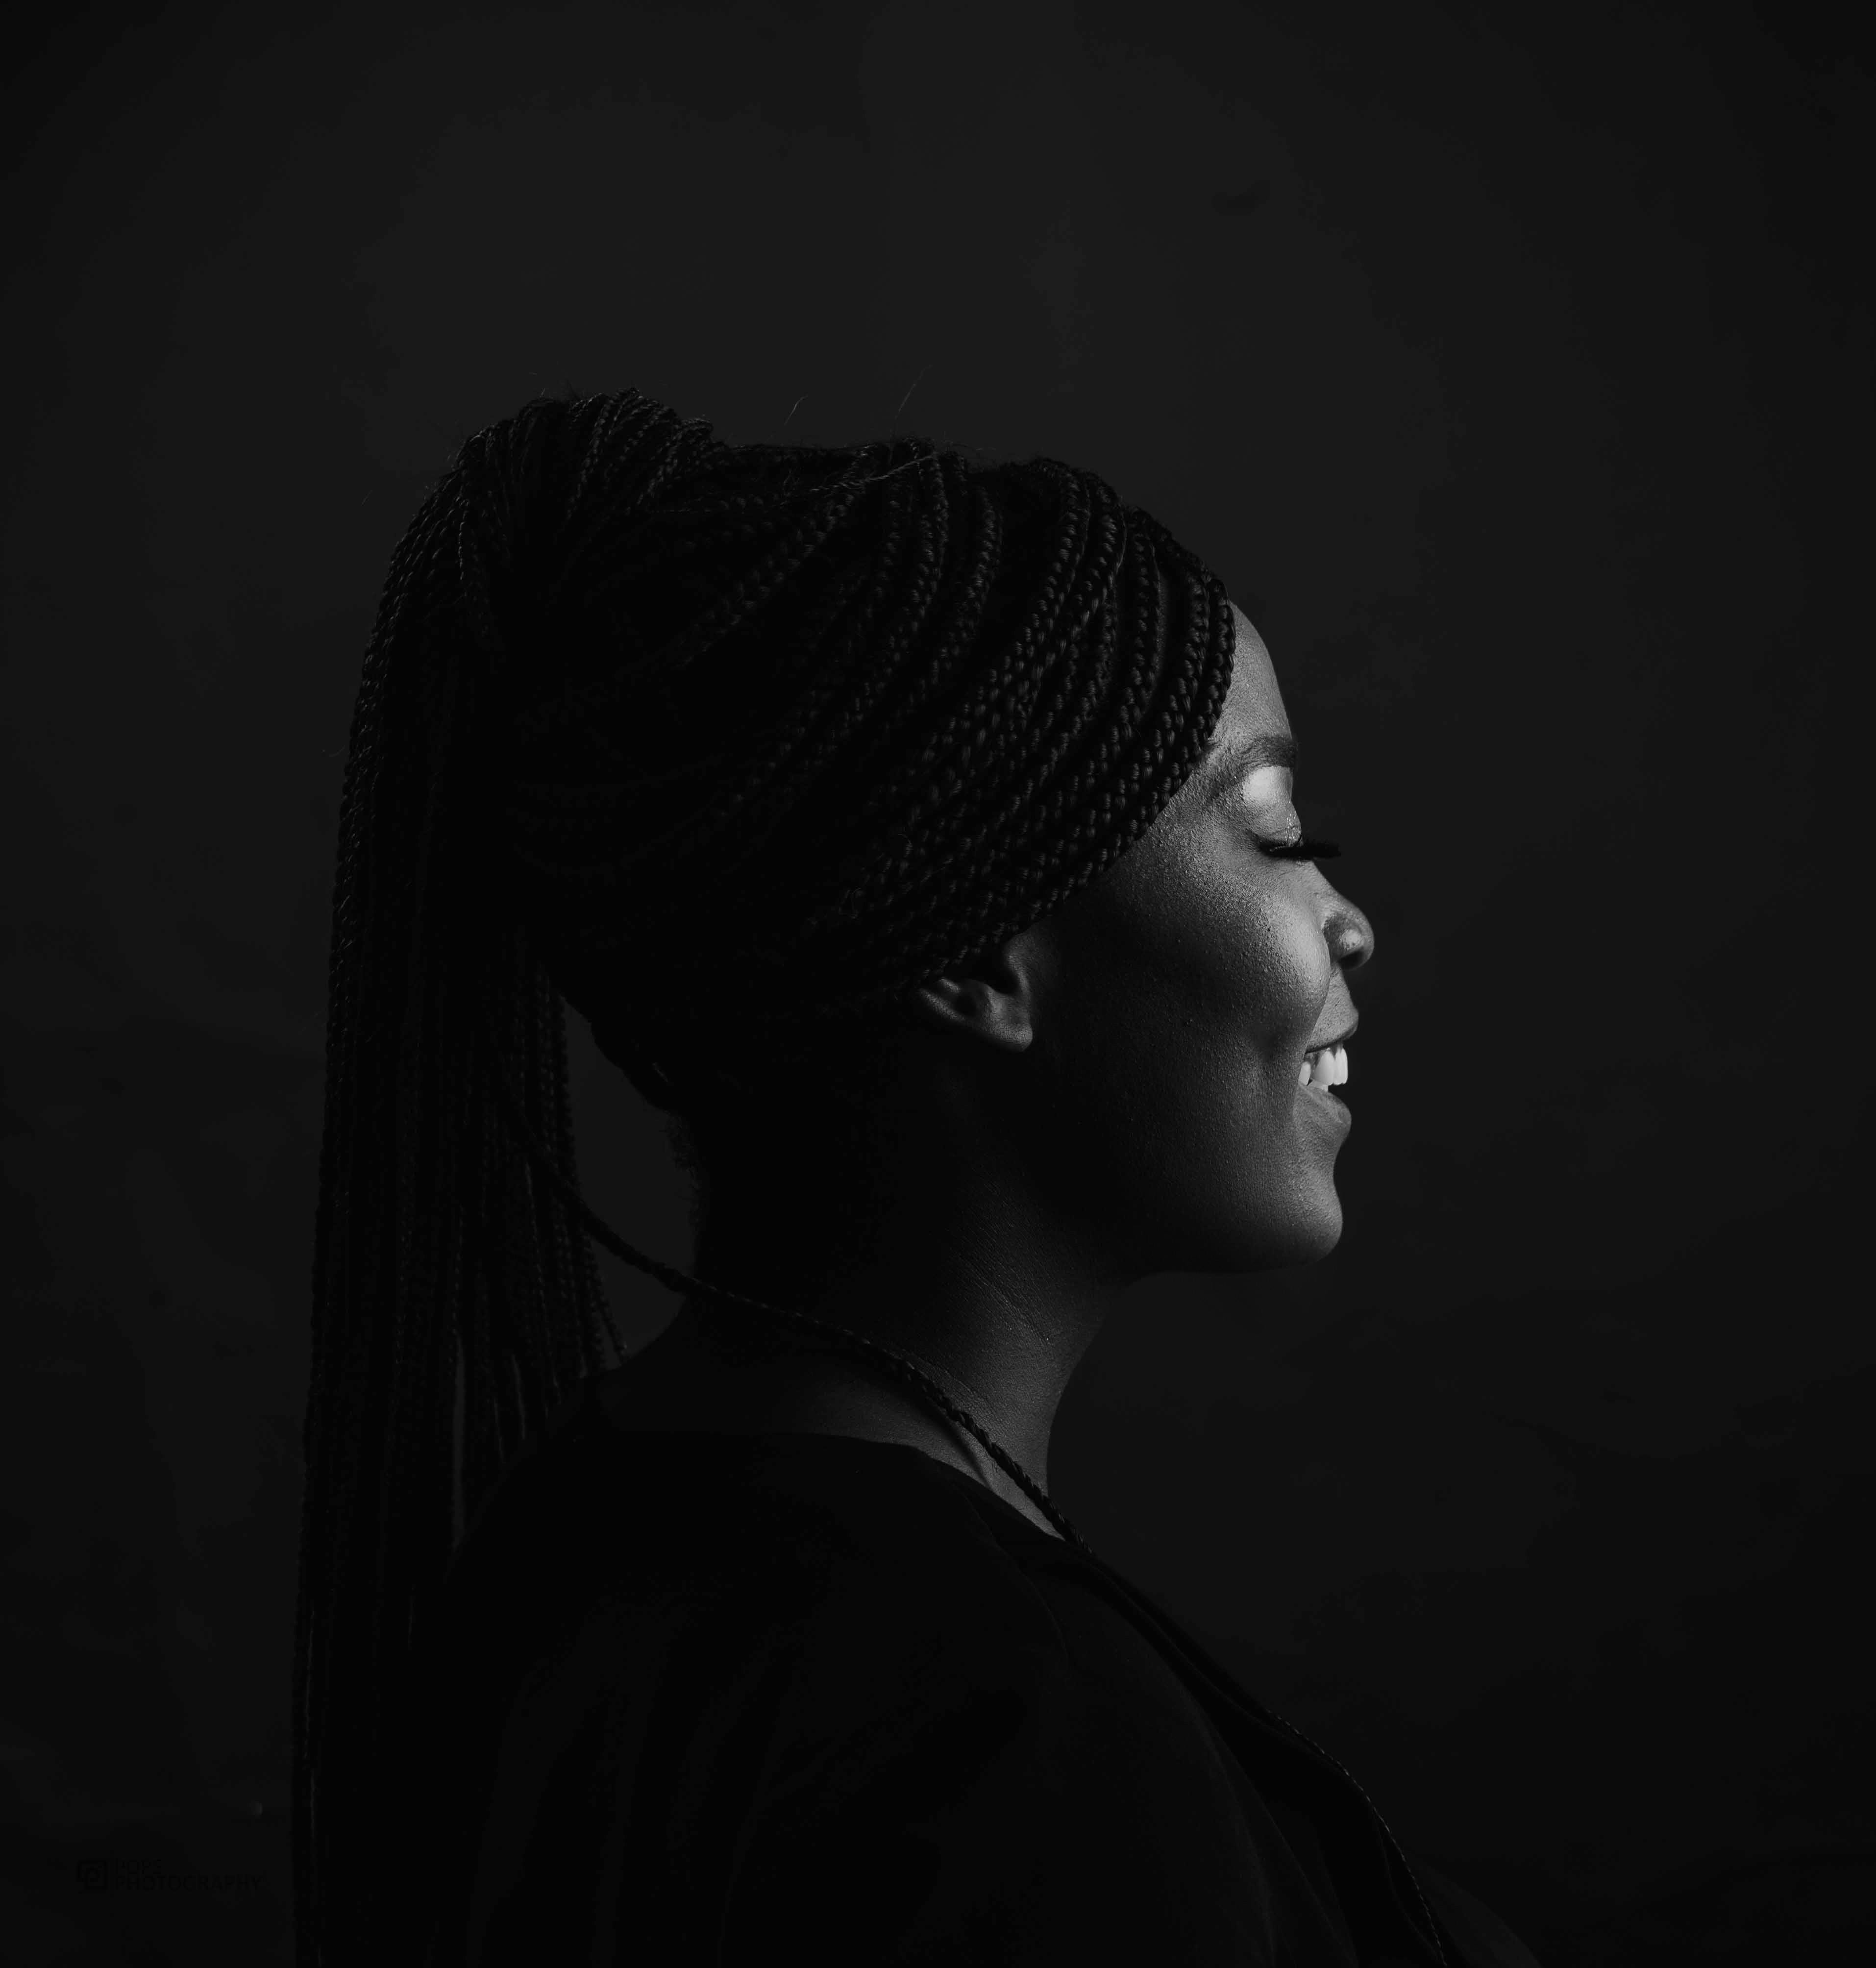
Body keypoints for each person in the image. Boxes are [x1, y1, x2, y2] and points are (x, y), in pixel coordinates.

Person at [291, 387, 1542, 1965]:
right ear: (976, 956)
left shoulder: (578, 1543)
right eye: (1280, 832)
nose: (1348, 922)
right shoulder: (1011, 1745)